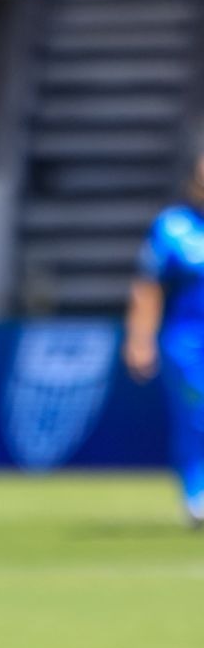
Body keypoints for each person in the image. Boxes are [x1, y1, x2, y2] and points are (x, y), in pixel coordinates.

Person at [124, 147, 204, 528]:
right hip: (188, 340)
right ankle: (198, 493)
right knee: (196, 415)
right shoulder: (173, 227)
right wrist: (140, 339)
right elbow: (149, 286)